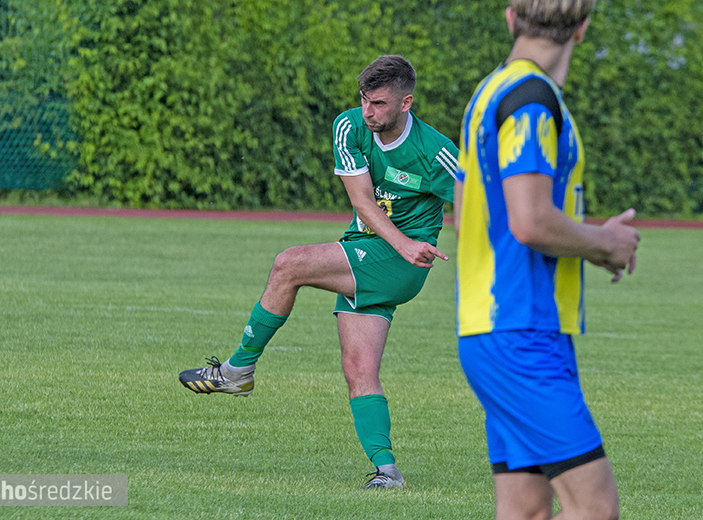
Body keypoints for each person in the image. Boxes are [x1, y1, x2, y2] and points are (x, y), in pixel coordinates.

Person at [179, 55, 459, 489]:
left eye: (380, 104)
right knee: (358, 370)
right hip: (366, 251)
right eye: (364, 101)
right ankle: (387, 472)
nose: (369, 112)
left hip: (402, 264)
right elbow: (363, 202)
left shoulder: (435, 151)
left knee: (288, 264)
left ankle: (237, 372)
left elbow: (483, 204)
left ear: (406, 102)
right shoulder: (349, 127)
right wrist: (396, 241)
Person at [454, 1, 640, 518]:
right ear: (582, 30)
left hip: (495, 330)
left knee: (526, 511)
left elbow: (465, 215)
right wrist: (605, 243)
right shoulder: (533, 101)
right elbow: (530, 221)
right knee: (594, 507)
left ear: (511, 18)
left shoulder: (488, 93)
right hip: (520, 333)